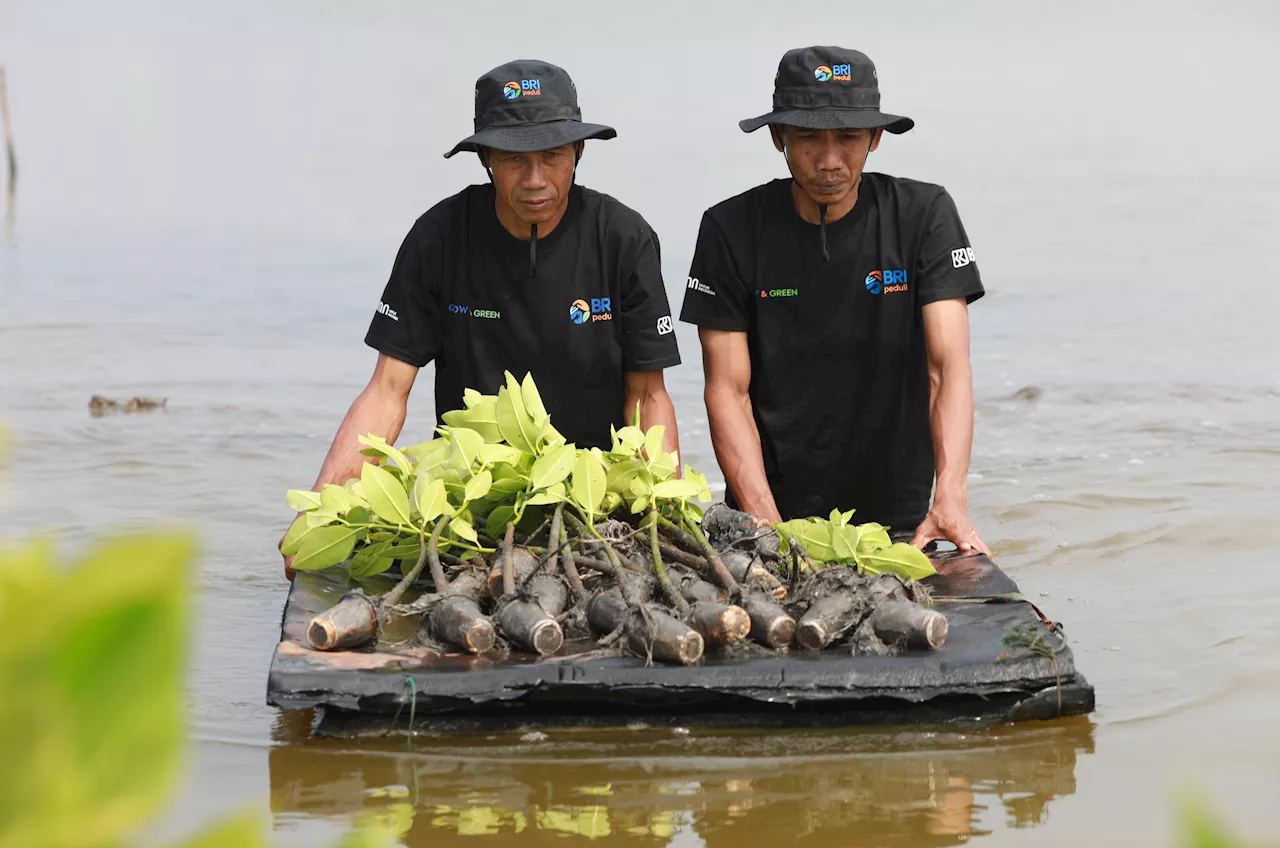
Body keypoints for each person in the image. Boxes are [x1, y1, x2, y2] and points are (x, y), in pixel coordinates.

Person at [281, 60, 682, 576]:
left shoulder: (624, 239)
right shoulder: (440, 236)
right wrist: (318, 511)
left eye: (553, 155)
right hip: (472, 500)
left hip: (593, 501)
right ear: (486, 158)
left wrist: (661, 512)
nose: (535, 180)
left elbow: (648, 396)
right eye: (515, 158)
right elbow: (387, 391)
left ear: (579, 153)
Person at [679, 46, 989, 555]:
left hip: (903, 520)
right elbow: (726, 390)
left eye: (848, 138)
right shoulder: (730, 228)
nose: (829, 162)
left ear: (875, 137)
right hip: (771, 518)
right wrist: (764, 524)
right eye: (807, 139)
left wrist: (950, 496)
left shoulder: (923, 215)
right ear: (778, 137)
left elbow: (947, 369)